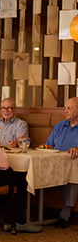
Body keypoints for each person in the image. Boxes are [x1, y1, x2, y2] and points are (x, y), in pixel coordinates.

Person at [45, 97, 78, 227]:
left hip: (73, 164)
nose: (65, 111)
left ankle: (65, 214)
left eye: (69, 108)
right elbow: (48, 146)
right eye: (65, 108)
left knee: (73, 169)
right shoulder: (60, 126)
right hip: (55, 163)